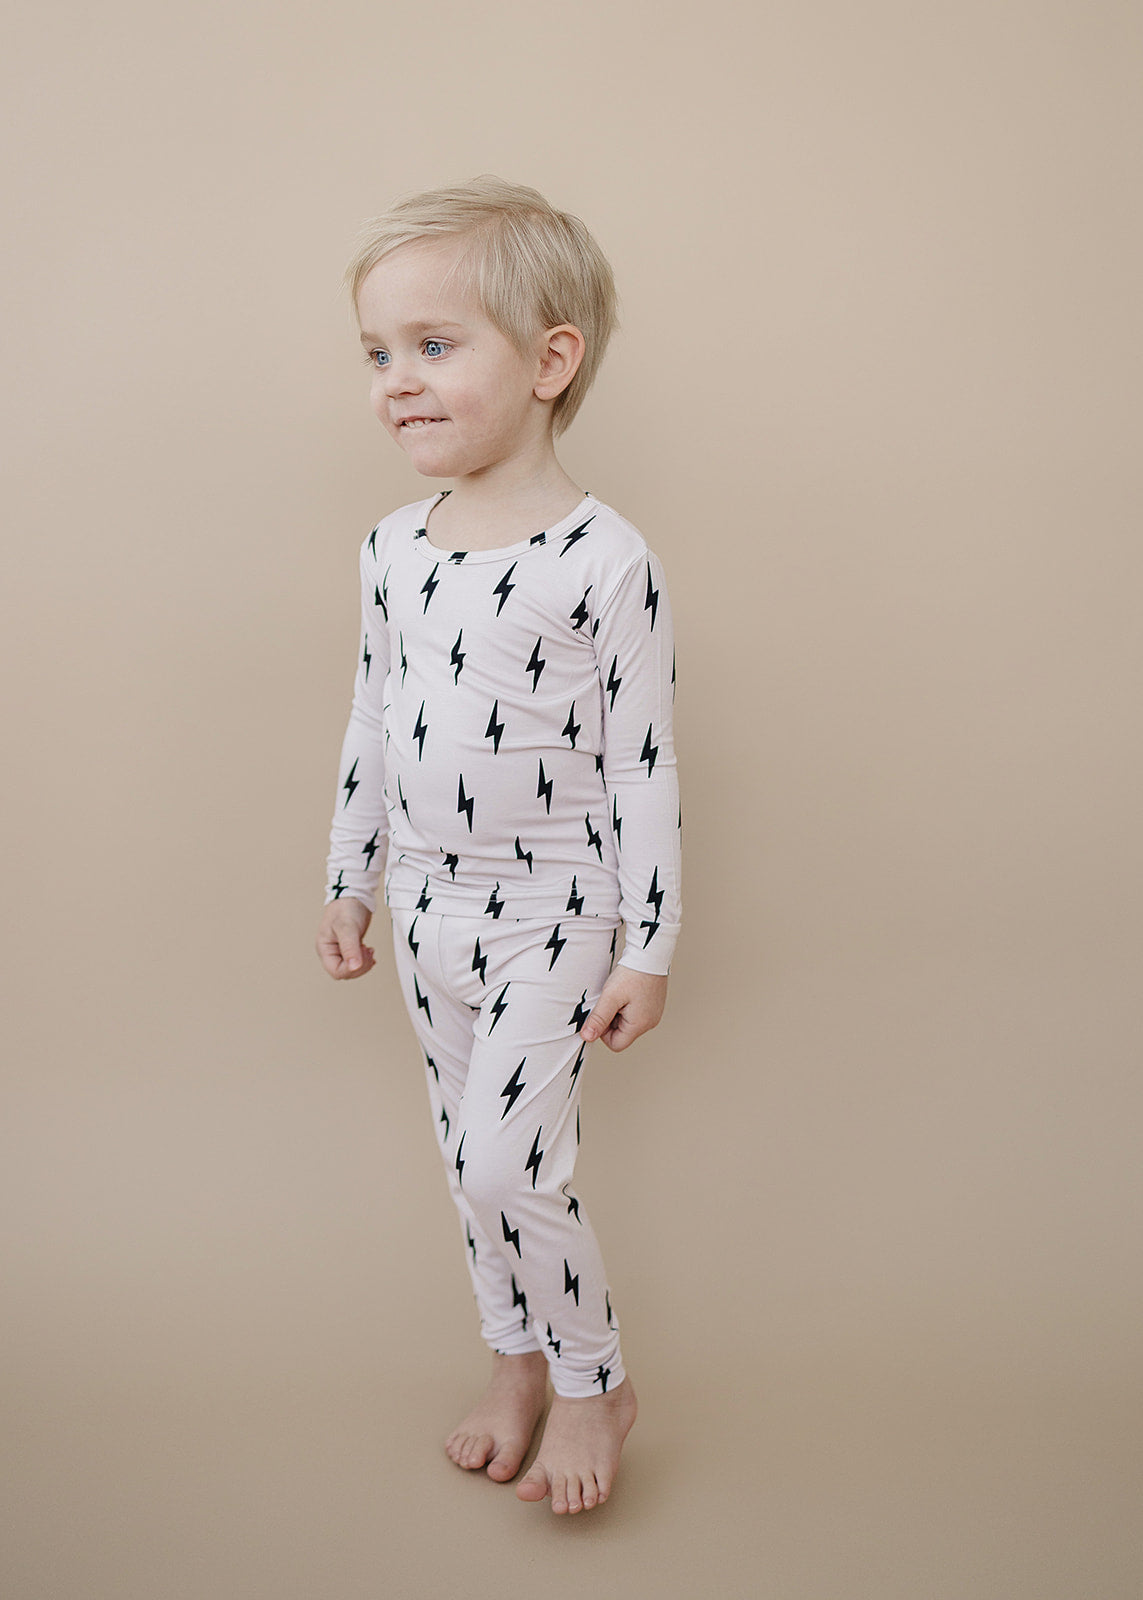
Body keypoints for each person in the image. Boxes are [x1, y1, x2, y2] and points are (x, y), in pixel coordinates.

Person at [315, 176, 682, 1516]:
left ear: (548, 360)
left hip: (553, 914)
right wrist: (349, 877)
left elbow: (644, 763)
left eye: (433, 344)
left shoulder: (605, 560)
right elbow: (375, 713)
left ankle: (594, 1381)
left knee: (506, 1160)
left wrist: (651, 946)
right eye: (377, 353)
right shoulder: (392, 550)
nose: (396, 381)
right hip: (429, 909)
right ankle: (514, 1362)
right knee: (462, 1164)